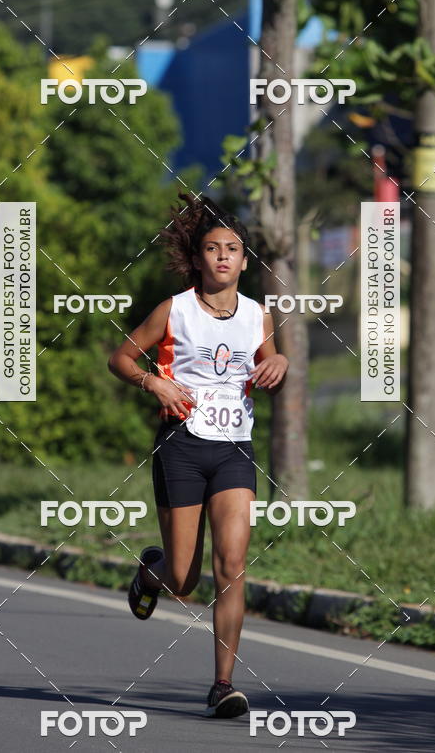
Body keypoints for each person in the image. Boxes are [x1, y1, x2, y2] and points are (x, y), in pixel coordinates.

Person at [107, 192, 289, 718]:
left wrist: (278, 364)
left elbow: (267, 364)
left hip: (234, 450)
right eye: (213, 249)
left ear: (245, 260)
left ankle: (223, 684)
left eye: (233, 249)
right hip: (181, 448)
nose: (223, 257)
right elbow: (120, 357)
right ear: (199, 258)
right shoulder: (175, 309)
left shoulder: (258, 315)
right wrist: (152, 384)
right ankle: (151, 572)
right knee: (184, 580)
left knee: (232, 563)